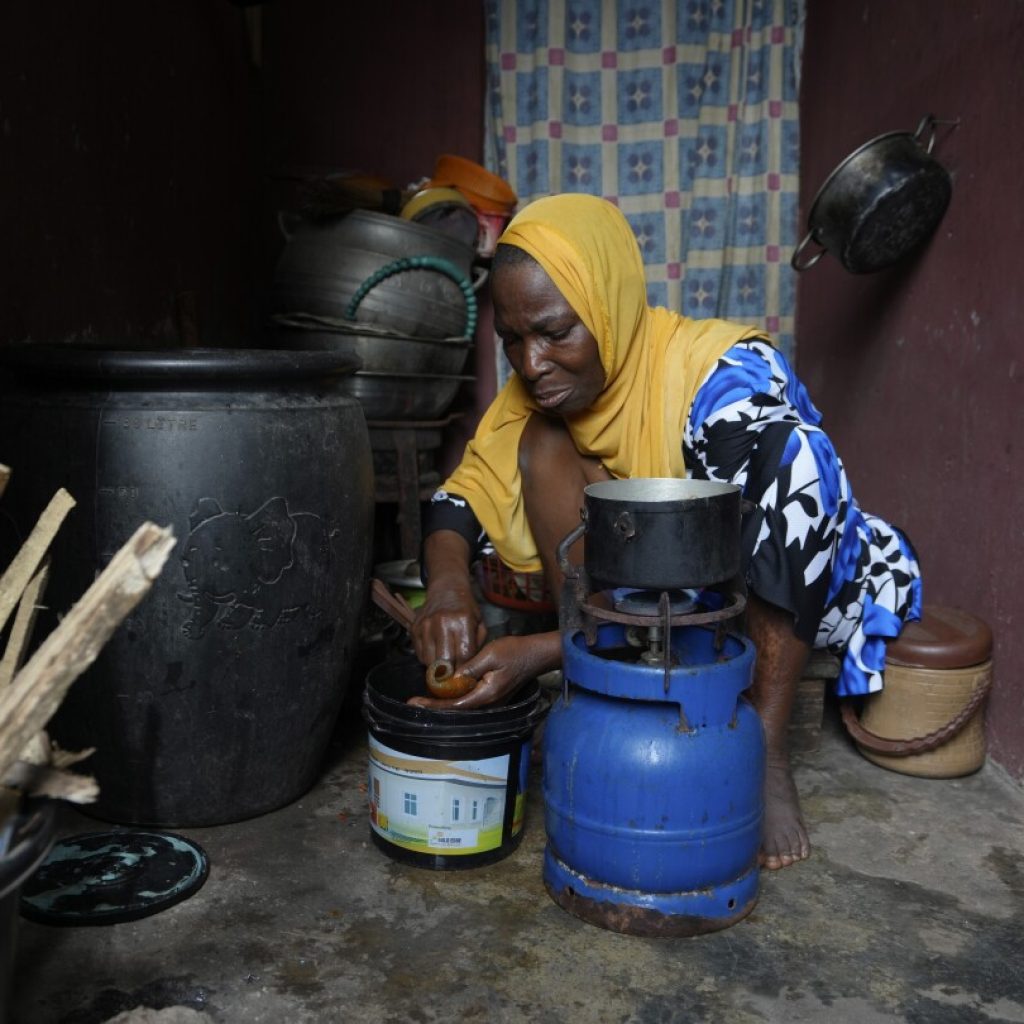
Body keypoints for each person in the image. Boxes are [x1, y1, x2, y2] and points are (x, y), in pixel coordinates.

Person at [410, 193, 922, 871]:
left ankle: (763, 742)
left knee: (795, 460)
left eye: (555, 332)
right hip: (638, 608)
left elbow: (795, 491)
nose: (530, 363)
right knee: (540, 441)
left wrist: (534, 652)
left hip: (763, 594)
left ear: (608, 308)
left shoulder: (712, 373)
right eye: (511, 338)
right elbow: (459, 500)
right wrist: (446, 590)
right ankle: (593, 667)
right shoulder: (534, 398)